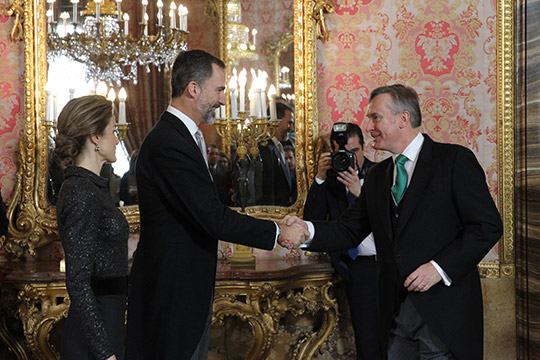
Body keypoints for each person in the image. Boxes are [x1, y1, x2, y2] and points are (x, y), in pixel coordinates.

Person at [282, 84, 503, 359]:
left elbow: (487, 226)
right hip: (396, 315)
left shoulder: (454, 160)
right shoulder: (378, 176)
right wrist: (307, 231)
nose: (370, 126)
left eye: (376, 117)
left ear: (403, 118)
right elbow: (350, 228)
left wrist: (439, 268)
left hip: (444, 313)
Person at [125, 49, 307, 360]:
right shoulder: (170, 142)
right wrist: (277, 231)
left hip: (184, 287)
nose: (223, 100)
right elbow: (212, 217)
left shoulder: (181, 137)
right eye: (219, 90)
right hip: (172, 291)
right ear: (193, 88)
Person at [54, 95, 128, 360]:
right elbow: (78, 281)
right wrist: (104, 353)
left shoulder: (91, 187)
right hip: (96, 327)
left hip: (106, 317)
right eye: (113, 131)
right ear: (96, 137)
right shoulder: (80, 192)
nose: (118, 139)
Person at [303, 122, 378, 359]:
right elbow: (311, 221)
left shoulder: (381, 174)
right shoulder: (331, 181)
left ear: (364, 149)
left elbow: (395, 223)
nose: (349, 158)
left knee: (396, 337)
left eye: (354, 152)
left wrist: (360, 193)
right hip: (356, 268)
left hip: (387, 264)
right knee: (366, 339)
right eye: (342, 153)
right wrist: (321, 177)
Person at [258, 102, 295, 206]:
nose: (291, 128)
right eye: (289, 123)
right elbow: (267, 191)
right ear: (276, 121)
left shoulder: (278, 146)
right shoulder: (264, 148)